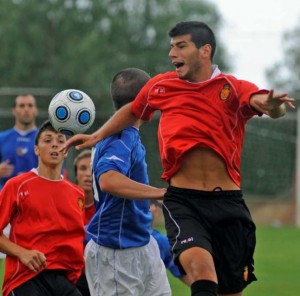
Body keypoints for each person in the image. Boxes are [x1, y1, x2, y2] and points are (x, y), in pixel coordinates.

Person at [62, 21, 295, 296]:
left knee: (229, 289)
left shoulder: (231, 88)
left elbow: (265, 104)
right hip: (183, 201)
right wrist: (97, 136)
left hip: (228, 204)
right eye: (171, 47)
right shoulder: (162, 86)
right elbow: (132, 109)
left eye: (181, 46)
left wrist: (275, 106)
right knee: (201, 272)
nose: (173, 53)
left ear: (205, 50)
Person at [84, 68, 171, 296]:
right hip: (116, 250)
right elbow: (109, 180)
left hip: (141, 243)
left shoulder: (123, 134)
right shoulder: (121, 138)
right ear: (145, 100)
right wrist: (159, 193)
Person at [0, 120, 86, 296]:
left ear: (66, 150)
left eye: (61, 140)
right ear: (36, 149)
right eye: (47, 140)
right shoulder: (17, 186)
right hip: (26, 276)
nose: (54, 143)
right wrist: (22, 253)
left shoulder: (77, 194)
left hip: (64, 280)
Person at [0, 94, 38, 190]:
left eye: (30, 105)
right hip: (5, 198)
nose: (26, 109)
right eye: (21, 105)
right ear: (14, 110)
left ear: (36, 110)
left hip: (36, 198)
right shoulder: (2, 138)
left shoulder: (46, 139)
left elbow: (58, 172)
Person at [150, 201, 191, 286]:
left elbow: (190, 279)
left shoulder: (162, 241)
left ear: (156, 210)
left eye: (148, 205)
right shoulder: (120, 241)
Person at [73, 149, 95, 296]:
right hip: (72, 272)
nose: (88, 173)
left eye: (92, 168)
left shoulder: (107, 205)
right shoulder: (65, 203)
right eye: (83, 168)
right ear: (76, 175)